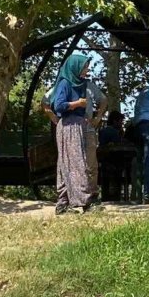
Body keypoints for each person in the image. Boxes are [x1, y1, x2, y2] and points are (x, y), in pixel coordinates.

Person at [51, 53, 96, 214]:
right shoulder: (65, 83)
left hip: (78, 124)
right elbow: (58, 105)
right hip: (69, 125)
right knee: (76, 163)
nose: (86, 70)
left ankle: (63, 203)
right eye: (84, 67)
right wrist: (77, 103)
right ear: (75, 67)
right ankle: (82, 201)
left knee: (68, 163)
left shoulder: (80, 84)